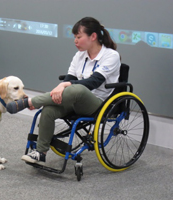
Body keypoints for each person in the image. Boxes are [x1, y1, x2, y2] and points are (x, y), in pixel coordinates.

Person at [7, 17, 121, 165]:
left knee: (78, 89)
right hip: (74, 99)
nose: (75, 41)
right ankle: (41, 153)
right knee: (49, 109)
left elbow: (94, 82)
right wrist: (61, 87)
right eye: (74, 37)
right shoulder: (80, 55)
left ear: (93, 36)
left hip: (97, 103)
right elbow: (69, 78)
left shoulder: (111, 55)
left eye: (79, 37)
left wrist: (65, 85)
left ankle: (31, 101)